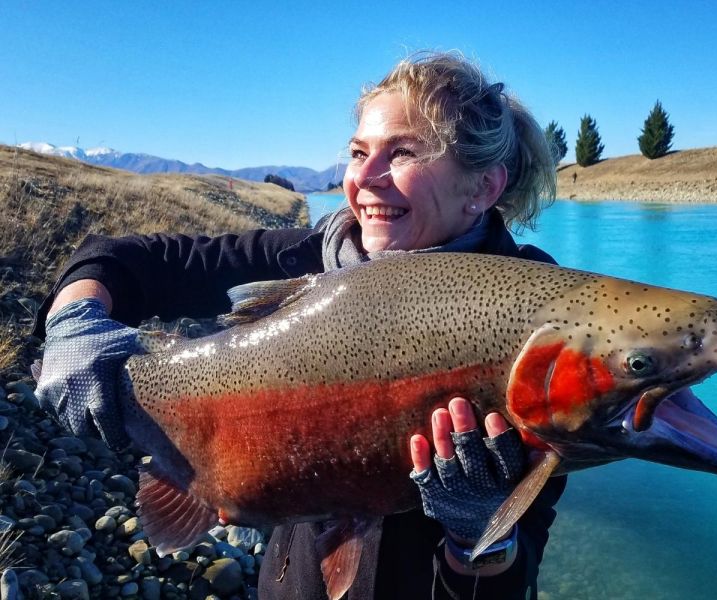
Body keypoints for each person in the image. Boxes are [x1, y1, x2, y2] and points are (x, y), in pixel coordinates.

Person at [32, 51, 565, 600]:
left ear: (482, 187)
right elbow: (124, 258)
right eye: (360, 152)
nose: (365, 178)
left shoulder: (537, 327)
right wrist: (75, 317)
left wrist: (480, 537)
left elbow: (513, 579)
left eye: (402, 153)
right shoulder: (311, 256)